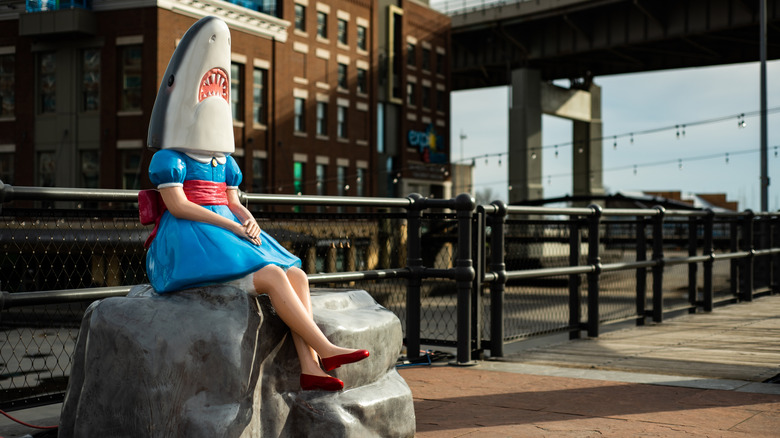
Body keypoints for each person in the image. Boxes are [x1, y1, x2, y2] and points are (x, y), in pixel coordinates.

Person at [142, 16, 368, 392]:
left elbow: (234, 201)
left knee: (296, 274)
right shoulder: (170, 159)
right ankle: (325, 347)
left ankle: (311, 365)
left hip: (223, 229)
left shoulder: (225, 163)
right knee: (273, 275)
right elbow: (178, 207)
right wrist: (230, 225)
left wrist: (248, 220)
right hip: (188, 238)